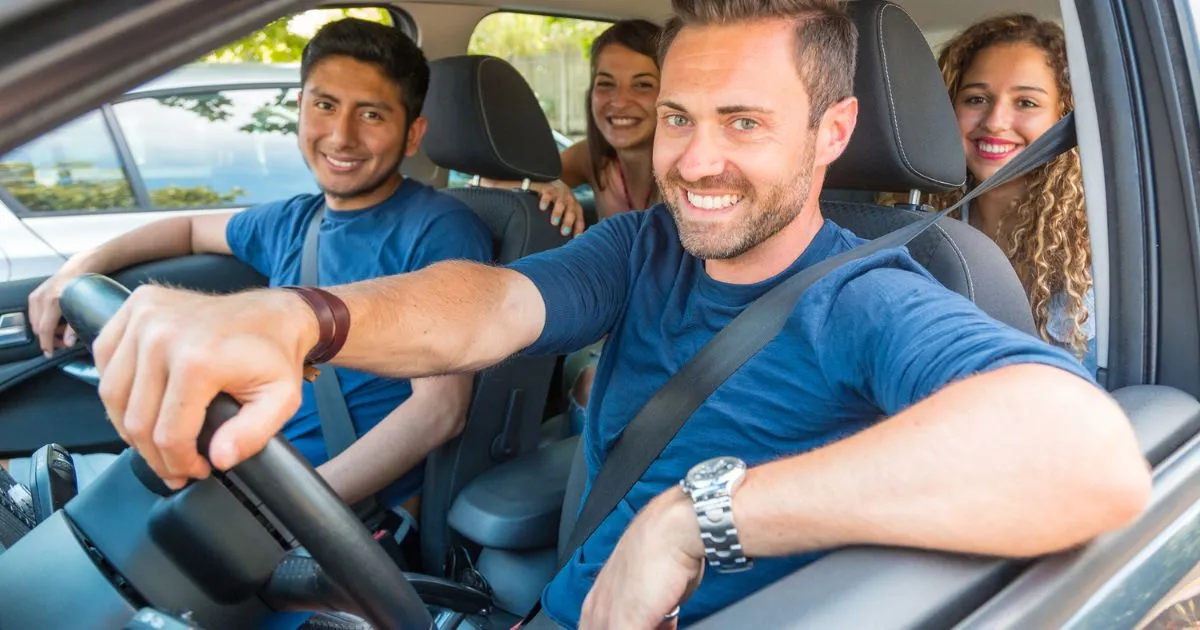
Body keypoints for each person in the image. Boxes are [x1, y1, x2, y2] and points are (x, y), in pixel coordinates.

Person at [89, 2, 1151, 629]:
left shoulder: (869, 295)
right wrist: (303, 319)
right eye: (679, 118)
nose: (693, 160)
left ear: (833, 131)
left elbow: (1088, 454)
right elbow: (493, 307)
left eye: (743, 122)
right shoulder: (644, 246)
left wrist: (697, 518)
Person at [13, 18, 494, 519]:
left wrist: (290, 509)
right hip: (242, 473)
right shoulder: (295, 220)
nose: (341, 135)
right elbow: (189, 230)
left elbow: (439, 411)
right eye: (325, 106)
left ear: (412, 134)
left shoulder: (441, 231)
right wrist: (81, 266)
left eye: (371, 115)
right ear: (301, 109)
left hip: (329, 514)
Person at [925, 14, 1097, 374]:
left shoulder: (1097, 256)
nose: (995, 120)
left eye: (1026, 103)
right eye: (976, 98)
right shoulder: (918, 234)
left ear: (1064, 119)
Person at [483, 19, 664, 239]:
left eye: (642, 85)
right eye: (605, 84)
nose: (619, 101)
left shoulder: (691, 166)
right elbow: (488, 183)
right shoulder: (591, 158)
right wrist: (546, 185)